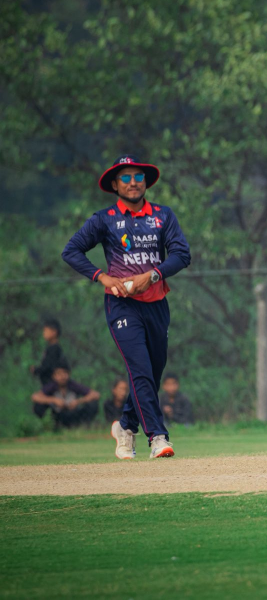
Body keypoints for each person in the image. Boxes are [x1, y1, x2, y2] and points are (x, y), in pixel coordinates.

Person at [62, 155, 191, 460]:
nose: (133, 182)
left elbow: (181, 254)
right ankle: (157, 436)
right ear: (115, 184)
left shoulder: (162, 215)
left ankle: (125, 426)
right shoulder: (104, 219)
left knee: (152, 373)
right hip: (122, 305)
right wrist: (102, 276)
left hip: (157, 303)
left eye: (138, 177)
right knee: (140, 370)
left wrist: (153, 275)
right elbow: (71, 251)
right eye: (126, 177)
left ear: (145, 182)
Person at [31, 366, 100, 428]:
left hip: (74, 414)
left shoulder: (73, 385)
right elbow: (35, 397)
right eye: (59, 374)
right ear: (54, 376)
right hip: (57, 414)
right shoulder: (51, 386)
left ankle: (83, 425)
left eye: (65, 373)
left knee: (92, 404)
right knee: (38, 406)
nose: (63, 376)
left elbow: (95, 394)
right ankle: (51, 426)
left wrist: (78, 401)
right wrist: (54, 400)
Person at [29, 318, 70, 388]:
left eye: (45, 330)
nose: (44, 333)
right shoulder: (51, 348)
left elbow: (48, 367)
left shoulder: (54, 349)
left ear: (54, 332)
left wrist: (36, 370)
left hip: (52, 385)